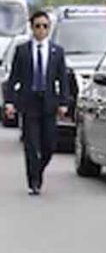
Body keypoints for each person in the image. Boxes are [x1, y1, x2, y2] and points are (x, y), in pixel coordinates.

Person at [3, 10, 68, 195]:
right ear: (32, 28)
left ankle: (39, 169)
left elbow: (62, 79)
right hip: (28, 103)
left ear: (49, 29)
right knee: (31, 144)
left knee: (49, 144)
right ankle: (34, 181)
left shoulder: (57, 52)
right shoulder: (22, 50)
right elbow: (13, 78)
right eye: (38, 26)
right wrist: (9, 102)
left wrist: (64, 102)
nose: (41, 30)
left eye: (45, 26)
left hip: (48, 103)